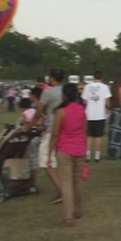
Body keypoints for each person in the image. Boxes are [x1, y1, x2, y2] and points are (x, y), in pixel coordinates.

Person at [48, 83, 87, 227]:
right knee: (78, 182)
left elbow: (55, 134)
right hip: (79, 149)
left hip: (65, 150)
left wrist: (49, 153)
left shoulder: (61, 112)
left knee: (66, 183)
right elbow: (84, 132)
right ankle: (78, 210)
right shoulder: (81, 110)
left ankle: (68, 217)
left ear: (64, 95)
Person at [32, 68, 64, 204]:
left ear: (51, 78)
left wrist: (30, 125)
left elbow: (39, 111)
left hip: (52, 129)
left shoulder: (48, 93)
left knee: (46, 162)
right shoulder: (66, 91)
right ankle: (63, 190)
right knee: (58, 161)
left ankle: (61, 191)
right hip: (65, 129)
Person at [81, 71, 111, 163]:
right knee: (99, 136)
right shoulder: (105, 87)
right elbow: (107, 102)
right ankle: (97, 156)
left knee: (89, 136)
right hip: (100, 114)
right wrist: (109, 108)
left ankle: (88, 155)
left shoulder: (87, 87)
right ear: (102, 78)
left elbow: (84, 101)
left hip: (89, 114)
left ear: (94, 78)